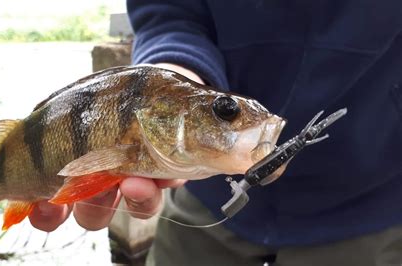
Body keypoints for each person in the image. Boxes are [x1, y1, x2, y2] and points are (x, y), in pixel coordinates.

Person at [30, 1, 402, 265]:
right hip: (206, 191)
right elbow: (170, 14)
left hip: (371, 199)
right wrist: (180, 74)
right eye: (227, 113)